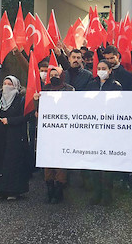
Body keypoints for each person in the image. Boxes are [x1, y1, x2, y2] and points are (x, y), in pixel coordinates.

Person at [0, 76, 31, 200]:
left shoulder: (21, 99)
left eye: (10, 84)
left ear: (16, 86)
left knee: (11, 162)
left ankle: (12, 191)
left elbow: (26, 117)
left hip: (14, 136)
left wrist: (10, 121)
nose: (7, 86)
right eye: (5, 83)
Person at [34, 68, 74, 204]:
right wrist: (36, 101)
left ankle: (59, 190)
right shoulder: (45, 89)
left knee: (60, 162)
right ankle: (49, 189)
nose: (54, 77)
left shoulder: (69, 89)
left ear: (62, 75)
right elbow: (39, 110)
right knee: (48, 161)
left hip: (63, 132)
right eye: (51, 75)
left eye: (56, 75)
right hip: (48, 133)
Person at [87, 60, 122, 205]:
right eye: (99, 68)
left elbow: (119, 105)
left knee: (107, 164)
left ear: (110, 71)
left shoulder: (116, 86)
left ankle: (107, 194)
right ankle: (97, 193)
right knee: (94, 163)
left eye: (104, 68)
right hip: (94, 129)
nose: (101, 70)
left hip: (109, 129)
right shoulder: (91, 85)